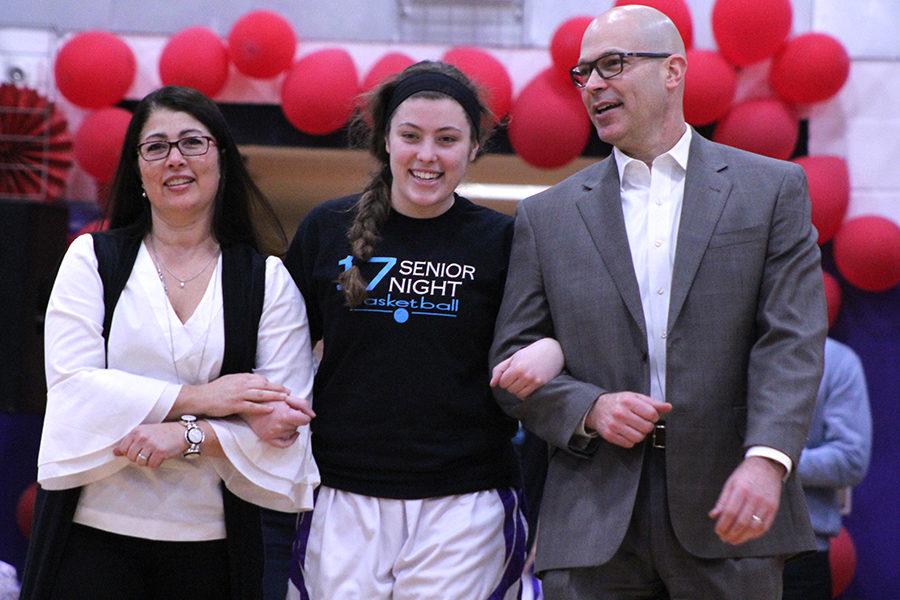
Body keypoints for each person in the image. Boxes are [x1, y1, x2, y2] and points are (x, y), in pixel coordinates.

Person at [489, 5, 827, 599]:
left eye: (612, 65)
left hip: (731, 509)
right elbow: (510, 364)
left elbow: (791, 339)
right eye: (583, 72)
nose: (593, 84)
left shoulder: (771, 189)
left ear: (673, 71)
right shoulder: (546, 216)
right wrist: (589, 407)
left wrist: (767, 460)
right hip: (592, 522)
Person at [21, 85, 319, 599]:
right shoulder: (92, 259)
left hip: (214, 549)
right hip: (89, 538)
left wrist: (188, 435)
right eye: (155, 146)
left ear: (221, 159)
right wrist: (204, 399)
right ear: (137, 170)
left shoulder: (265, 281)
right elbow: (73, 389)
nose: (175, 159)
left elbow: (284, 420)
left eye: (192, 143)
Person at [284, 60, 561, 599]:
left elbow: (559, 334)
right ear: (386, 140)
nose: (427, 155)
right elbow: (279, 352)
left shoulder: (505, 240)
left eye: (447, 139)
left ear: (474, 147)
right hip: (341, 495)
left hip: (467, 503)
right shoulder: (325, 228)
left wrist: (551, 349)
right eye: (410, 136)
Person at [783, 337, 872, 600]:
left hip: (801, 554)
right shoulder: (723, 353)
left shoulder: (837, 360)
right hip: (715, 552)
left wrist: (771, 462)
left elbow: (851, 458)